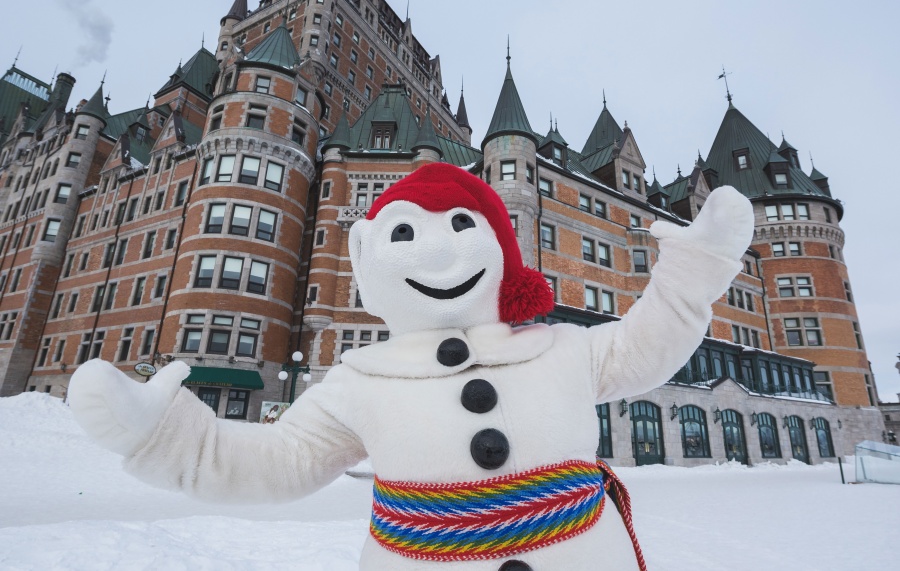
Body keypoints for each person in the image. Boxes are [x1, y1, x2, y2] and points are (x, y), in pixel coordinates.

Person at [69, 163, 753, 570]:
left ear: (501, 248)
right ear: (370, 257)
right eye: (406, 234)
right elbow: (278, 459)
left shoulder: (560, 346)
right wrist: (169, 438)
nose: (437, 253)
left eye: (462, 226)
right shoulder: (362, 378)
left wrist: (692, 273)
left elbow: (643, 344)